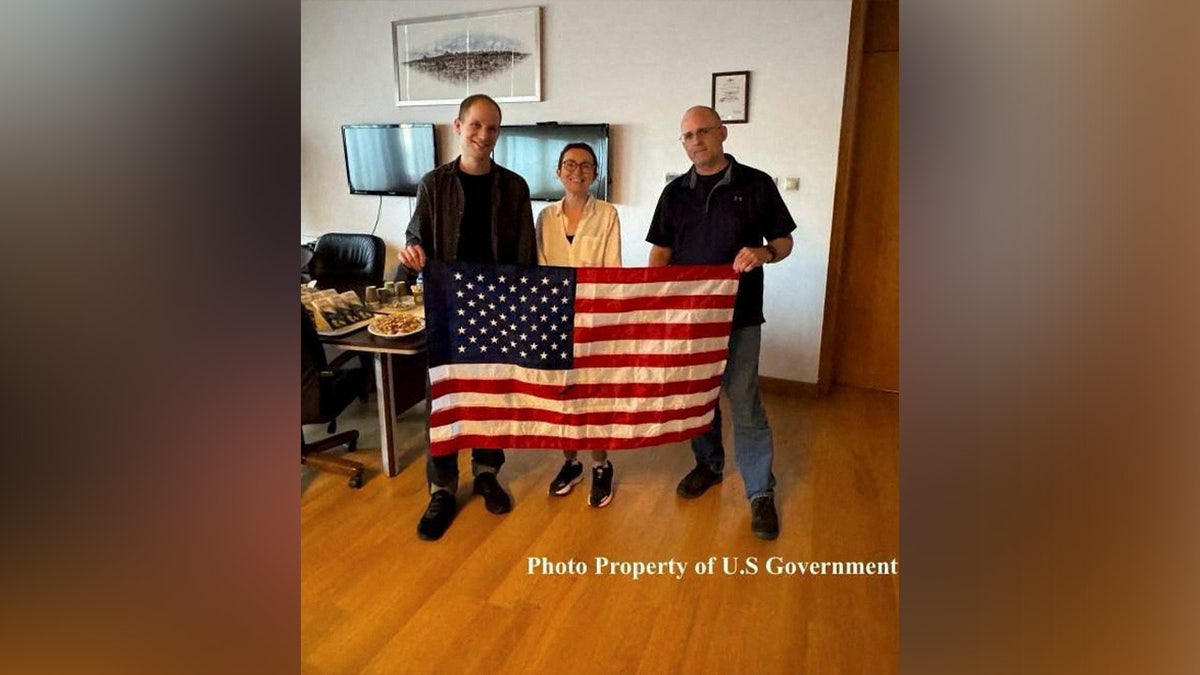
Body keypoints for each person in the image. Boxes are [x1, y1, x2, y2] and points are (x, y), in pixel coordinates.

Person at [645, 106, 796, 540]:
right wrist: (654, 300)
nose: (695, 141)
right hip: (690, 317)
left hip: (742, 314)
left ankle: (760, 492)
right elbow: (660, 252)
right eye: (687, 135)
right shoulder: (675, 193)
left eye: (703, 132)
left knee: (744, 400)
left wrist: (763, 253)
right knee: (700, 397)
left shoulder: (757, 184)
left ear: (722, 133)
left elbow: (783, 241)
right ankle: (708, 466)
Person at [399, 94, 537, 541]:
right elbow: (415, 234)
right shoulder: (433, 184)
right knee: (444, 399)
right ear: (458, 126)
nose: (484, 135)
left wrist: (523, 309)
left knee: (489, 393)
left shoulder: (514, 187)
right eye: (476, 125)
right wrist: (412, 253)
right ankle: (441, 487)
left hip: (497, 306)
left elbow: (525, 254)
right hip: (447, 306)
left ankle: (486, 471)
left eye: (493, 128)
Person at [535, 142, 622, 507]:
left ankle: (601, 464)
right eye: (569, 164)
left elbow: (612, 269)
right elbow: (538, 270)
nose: (577, 171)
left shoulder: (607, 214)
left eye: (586, 165)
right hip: (553, 319)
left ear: (595, 174)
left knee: (594, 395)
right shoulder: (544, 217)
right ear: (558, 171)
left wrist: (593, 312)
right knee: (563, 394)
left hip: (593, 318)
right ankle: (570, 463)